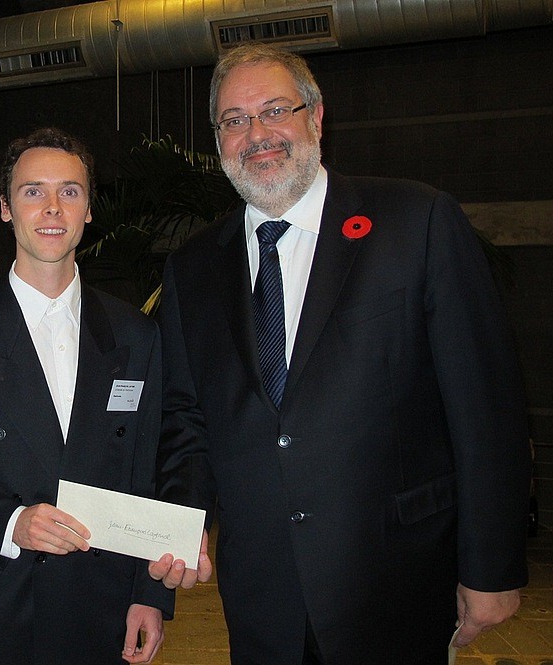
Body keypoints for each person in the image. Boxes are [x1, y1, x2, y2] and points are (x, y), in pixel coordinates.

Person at [149, 44, 531, 664]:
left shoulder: (417, 222)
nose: (257, 135)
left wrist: (491, 568)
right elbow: (188, 420)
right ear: (218, 138)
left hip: (394, 581)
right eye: (235, 120)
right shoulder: (192, 268)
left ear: (316, 117)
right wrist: (184, 518)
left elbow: (486, 408)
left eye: (276, 110)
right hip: (262, 596)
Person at [0, 127, 173, 665]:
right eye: (32, 191)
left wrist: (149, 593)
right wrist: (9, 521)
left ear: (89, 209)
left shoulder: (136, 336)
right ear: (5, 208)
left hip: (101, 609)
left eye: (69, 191)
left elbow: (147, 472)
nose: (52, 208)